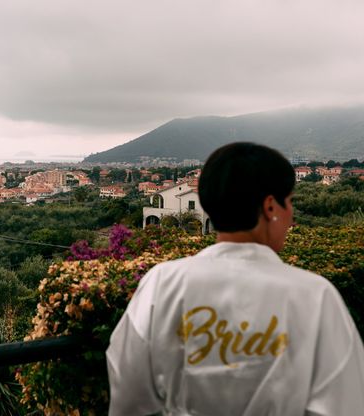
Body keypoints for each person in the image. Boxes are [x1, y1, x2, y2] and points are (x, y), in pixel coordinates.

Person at [106, 142, 364, 416]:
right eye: (289, 202)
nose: (291, 217)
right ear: (270, 207)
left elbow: (129, 395)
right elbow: (345, 402)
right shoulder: (315, 296)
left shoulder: (162, 284)